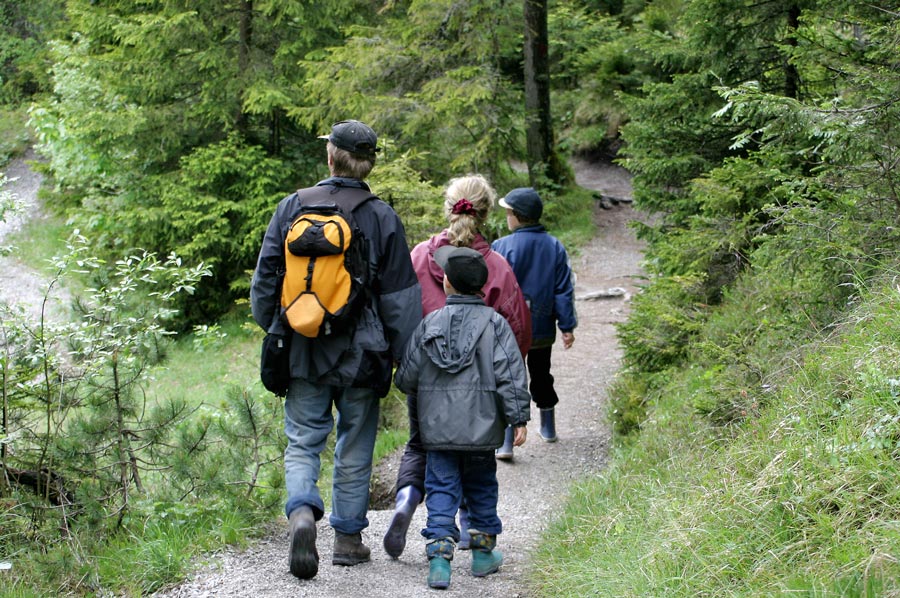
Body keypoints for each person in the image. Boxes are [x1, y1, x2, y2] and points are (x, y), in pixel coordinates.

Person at [250, 120, 422, 580]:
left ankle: (303, 512)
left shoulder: (293, 206)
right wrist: (407, 358)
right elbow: (401, 299)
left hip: (303, 346)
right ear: (369, 163)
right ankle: (347, 538)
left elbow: (265, 283)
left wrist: (278, 326)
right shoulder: (381, 216)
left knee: (304, 439)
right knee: (355, 443)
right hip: (363, 354)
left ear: (331, 156)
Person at [383, 174, 531, 559]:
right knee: (476, 454)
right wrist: (512, 396)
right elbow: (516, 332)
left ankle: (407, 500)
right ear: (484, 213)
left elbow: (397, 311)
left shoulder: (418, 256)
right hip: (483, 388)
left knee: (425, 448)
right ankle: (475, 535)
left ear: (448, 208)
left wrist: (404, 365)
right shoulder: (496, 266)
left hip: (426, 382)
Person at [492, 187, 577, 444]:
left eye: (507, 213)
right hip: (541, 327)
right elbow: (563, 290)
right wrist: (567, 326)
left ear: (517, 216)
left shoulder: (501, 247)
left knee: (506, 377)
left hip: (509, 330)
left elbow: (494, 288)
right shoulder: (554, 247)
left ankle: (506, 442)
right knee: (541, 373)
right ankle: (548, 428)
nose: (506, 217)